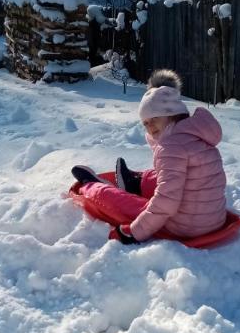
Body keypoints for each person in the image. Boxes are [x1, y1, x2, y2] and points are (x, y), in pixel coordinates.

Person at [71, 69, 227, 244]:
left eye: (154, 118)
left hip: (185, 227)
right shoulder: (198, 135)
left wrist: (136, 231)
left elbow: (166, 202)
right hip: (213, 220)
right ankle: (135, 183)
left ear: (172, 114)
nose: (150, 126)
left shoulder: (171, 147)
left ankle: (92, 186)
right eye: (145, 123)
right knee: (167, 174)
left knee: (118, 201)